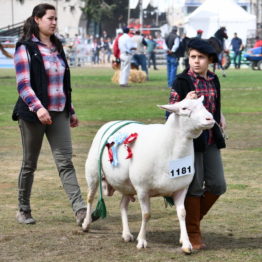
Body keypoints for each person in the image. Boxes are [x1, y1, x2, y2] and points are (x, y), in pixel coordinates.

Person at [12, 3, 86, 226]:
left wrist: (70, 110)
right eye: (50, 18)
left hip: (59, 113)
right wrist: (38, 108)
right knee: (29, 164)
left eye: (55, 19)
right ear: (37, 19)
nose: (54, 22)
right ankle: (23, 209)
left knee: (65, 162)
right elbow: (24, 85)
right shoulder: (25, 47)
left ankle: (80, 209)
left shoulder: (57, 46)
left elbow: (62, 83)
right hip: (33, 114)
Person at [167, 38, 227, 250]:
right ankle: (192, 234)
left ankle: (189, 221)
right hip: (189, 142)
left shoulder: (214, 79)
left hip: (211, 140)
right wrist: (184, 101)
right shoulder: (182, 81)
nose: (196, 61)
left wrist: (221, 117)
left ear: (209, 60)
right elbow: (170, 112)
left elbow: (214, 107)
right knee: (194, 186)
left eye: (201, 57)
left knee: (218, 185)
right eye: (193, 57)